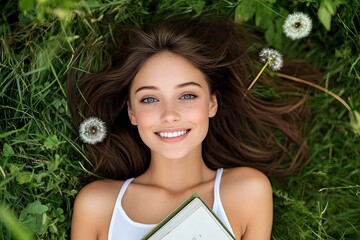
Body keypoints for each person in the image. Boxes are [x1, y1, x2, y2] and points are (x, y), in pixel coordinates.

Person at [67, 16, 317, 240]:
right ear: (131, 113)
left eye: (187, 96)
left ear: (212, 104)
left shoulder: (247, 191)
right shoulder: (98, 206)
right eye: (150, 99)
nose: (170, 115)